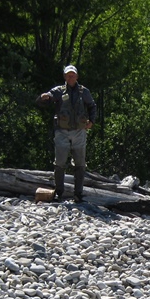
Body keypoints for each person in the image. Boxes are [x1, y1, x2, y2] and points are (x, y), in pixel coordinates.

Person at [38, 65, 97, 203]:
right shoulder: (58, 91)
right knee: (60, 163)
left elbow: (92, 105)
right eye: (68, 75)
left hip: (79, 132)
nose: (71, 77)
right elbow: (47, 98)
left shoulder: (84, 92)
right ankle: (59, 192)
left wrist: (92, 121)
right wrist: (44, 97)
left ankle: (78, 194)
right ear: (65, 76)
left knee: (80, 163)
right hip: (62, 131)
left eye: (73, 75)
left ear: (77, 76)